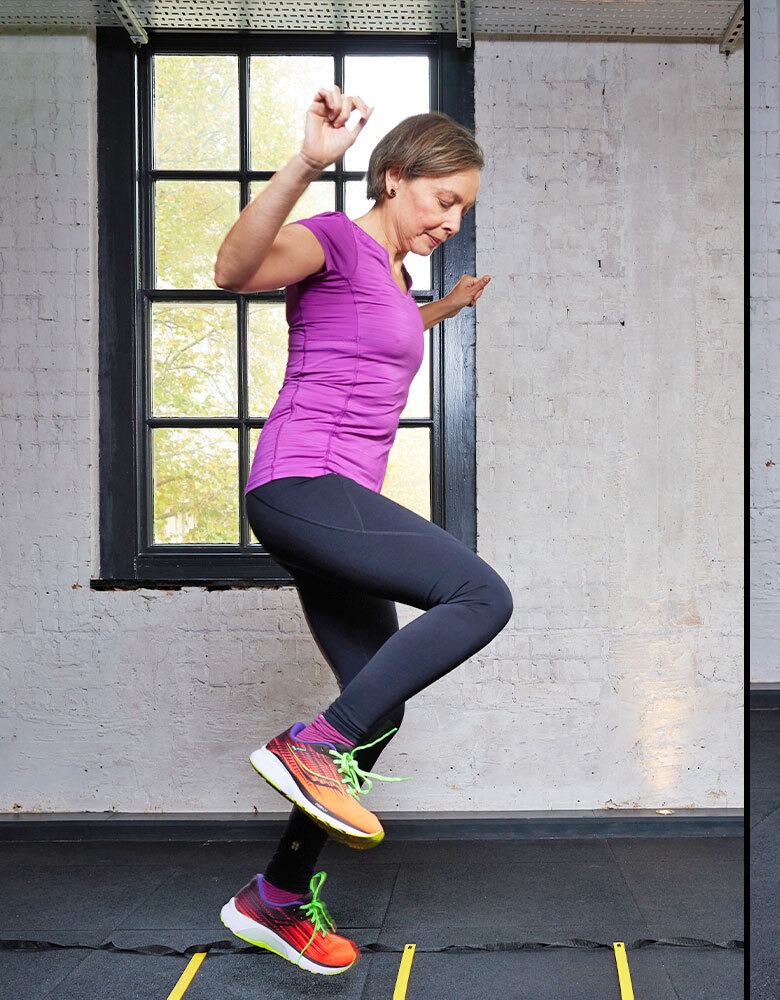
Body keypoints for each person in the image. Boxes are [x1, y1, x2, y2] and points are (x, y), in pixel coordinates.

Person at [211, 86, 509, 975]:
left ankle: (274, 897)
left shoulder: (388, 274)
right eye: (442, 199)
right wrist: (306, 160)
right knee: (479, 595)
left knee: (376, 705)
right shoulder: (337, 238)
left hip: (331, 496)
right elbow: (234, 269)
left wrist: (438, 311)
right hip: (302, 480)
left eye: (465, 208)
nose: (452, 219)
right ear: (392, 177)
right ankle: (310, 746)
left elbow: (368, 336)